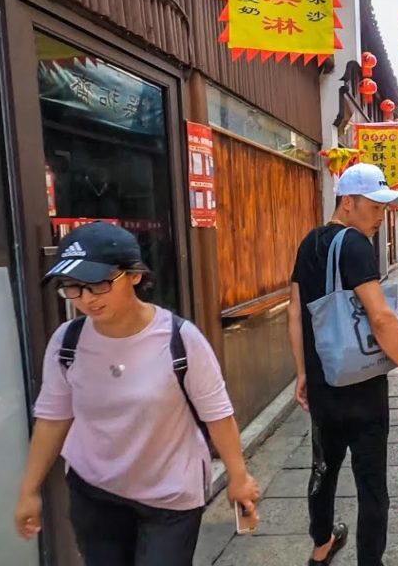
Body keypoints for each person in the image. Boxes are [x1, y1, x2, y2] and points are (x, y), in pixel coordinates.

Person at [13, 222, 260, 566]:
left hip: (171, 493)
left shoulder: (180, 339)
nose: (86, 299)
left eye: (98, 284)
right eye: (73, 287)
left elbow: (217, 414)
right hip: (95, 491)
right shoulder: (66, 342)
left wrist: (238, 476)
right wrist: (29, 490)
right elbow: (53, 419)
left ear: (133, 276)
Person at [288, 163, 398, 566]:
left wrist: (301, 371)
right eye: (374, 206)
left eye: (384, 208)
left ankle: (321, 544)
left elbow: (295, 312)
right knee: (370, 483)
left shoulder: (309, 243)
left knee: (323, 469)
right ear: (347, 202)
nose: (380, 216)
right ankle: (370, 560)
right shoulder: (354, 245)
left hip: (323, 382)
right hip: (362, 389)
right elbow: (381, 318)